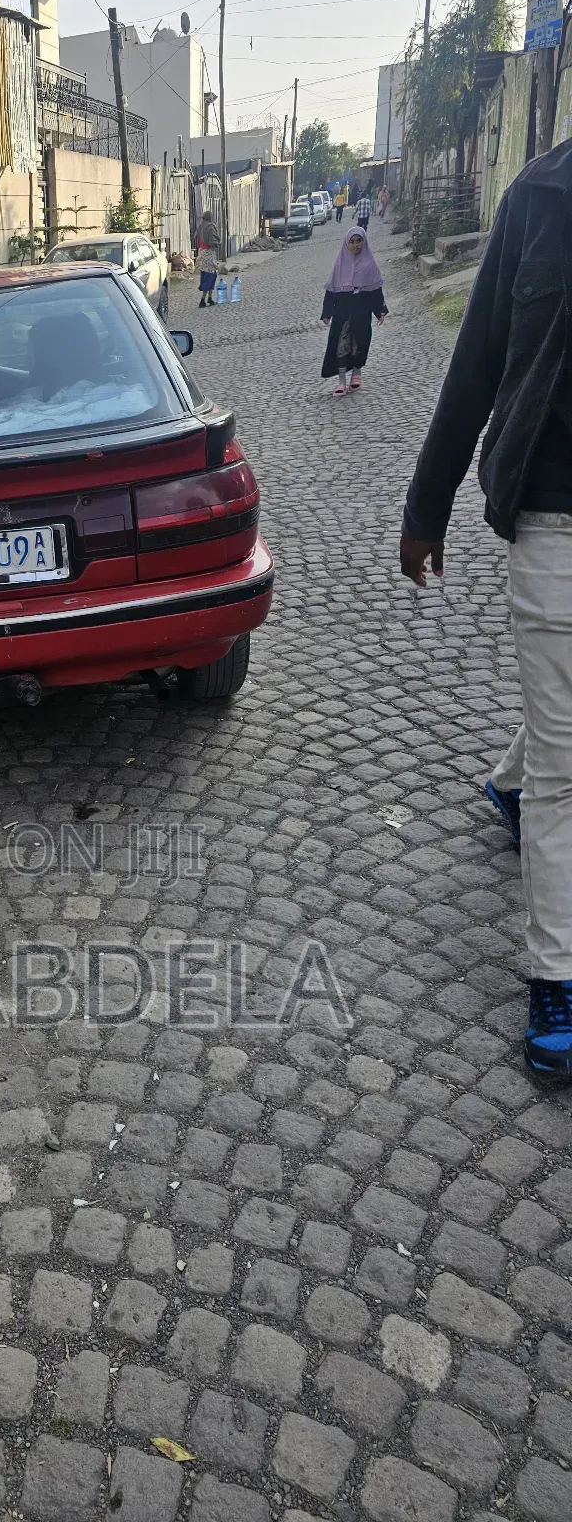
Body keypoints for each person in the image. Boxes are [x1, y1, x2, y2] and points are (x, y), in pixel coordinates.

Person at [400, 139, 572, 1077]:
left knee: (557, 735)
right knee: (568, 773)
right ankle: (557, 978)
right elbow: (475, 365)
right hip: (555, 518)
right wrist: (426, 506)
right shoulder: (539, 198)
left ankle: (510, 780)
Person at [320, 226, 387, 396]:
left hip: (362, 311)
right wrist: (327, 312)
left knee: (360, 342)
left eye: (359, 241)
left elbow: (375, 290)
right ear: (346, 243)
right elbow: (332, 289)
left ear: (364, 242)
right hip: (342, 311)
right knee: (341, 345)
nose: (355, 245)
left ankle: (357, 374)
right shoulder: (340, 263)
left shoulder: (369, 263)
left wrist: (380, 310)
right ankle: (342, 382)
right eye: (352, 242)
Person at [196, 212, 222, 307]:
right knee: (210, 276)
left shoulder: (200, 226)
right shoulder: (211, 227)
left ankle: (210, 298)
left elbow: (197, 240)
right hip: (209, 253)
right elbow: (213, 241)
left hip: (201, 253)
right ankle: (203, 300)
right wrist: (218, 243)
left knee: (208, 275)